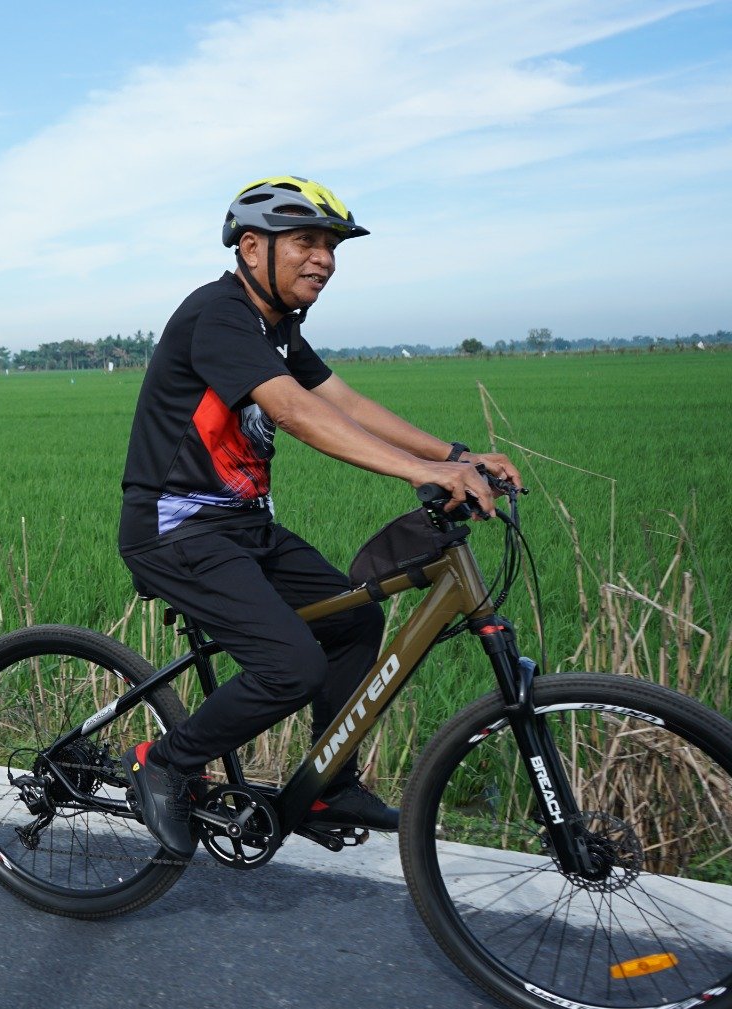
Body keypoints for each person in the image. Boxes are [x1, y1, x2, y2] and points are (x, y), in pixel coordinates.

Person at [117, 176, 522, 858]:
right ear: (252, 248)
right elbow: (296, 413)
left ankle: (329, 784)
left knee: (355, 618)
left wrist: (454, 454)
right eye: (306, 241)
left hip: (243, 528)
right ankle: (164, 762)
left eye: (331, 246)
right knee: (289, 665)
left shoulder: (277, 328)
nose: (325, 260)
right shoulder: (216, 316)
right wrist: (425, 472)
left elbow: (344, 403)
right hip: (176, 532)